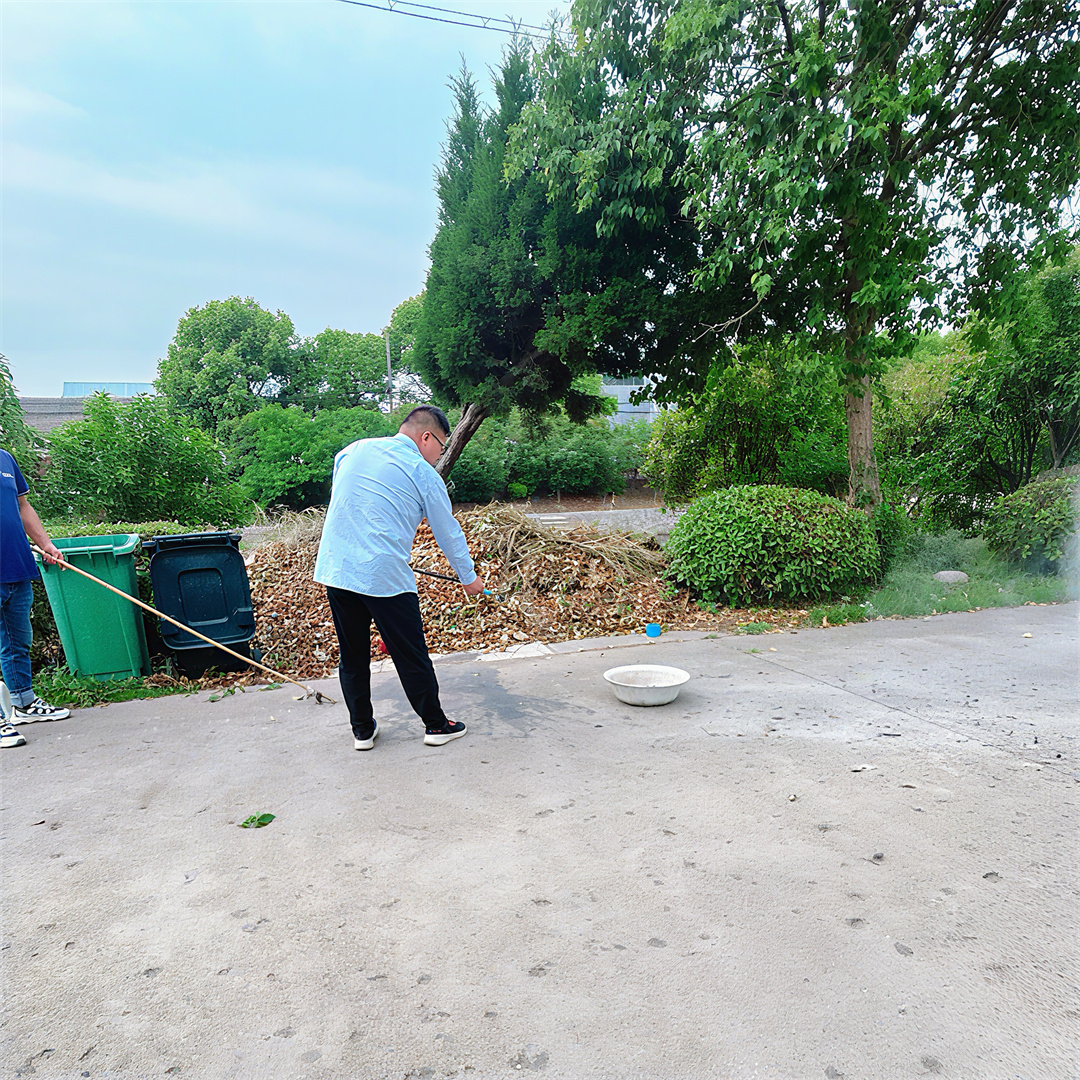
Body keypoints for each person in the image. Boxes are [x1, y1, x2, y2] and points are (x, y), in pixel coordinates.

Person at [314, 406, 485, 750]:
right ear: (426, 437)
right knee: (410, 653)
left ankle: (362, 731)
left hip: (338, 569)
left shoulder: (352, 450)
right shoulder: (422, 472)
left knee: (353, 654)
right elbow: (448, 531)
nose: (440, 455)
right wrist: (469, 577)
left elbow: (349, 500)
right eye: (441, 446)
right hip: (384, 574)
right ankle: (436, 725)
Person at [1, 447, 70, 749]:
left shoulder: (4, 458)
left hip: (16, 567)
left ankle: (23, 703)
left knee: (17, 641)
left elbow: (23, 506)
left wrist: (45, 543)